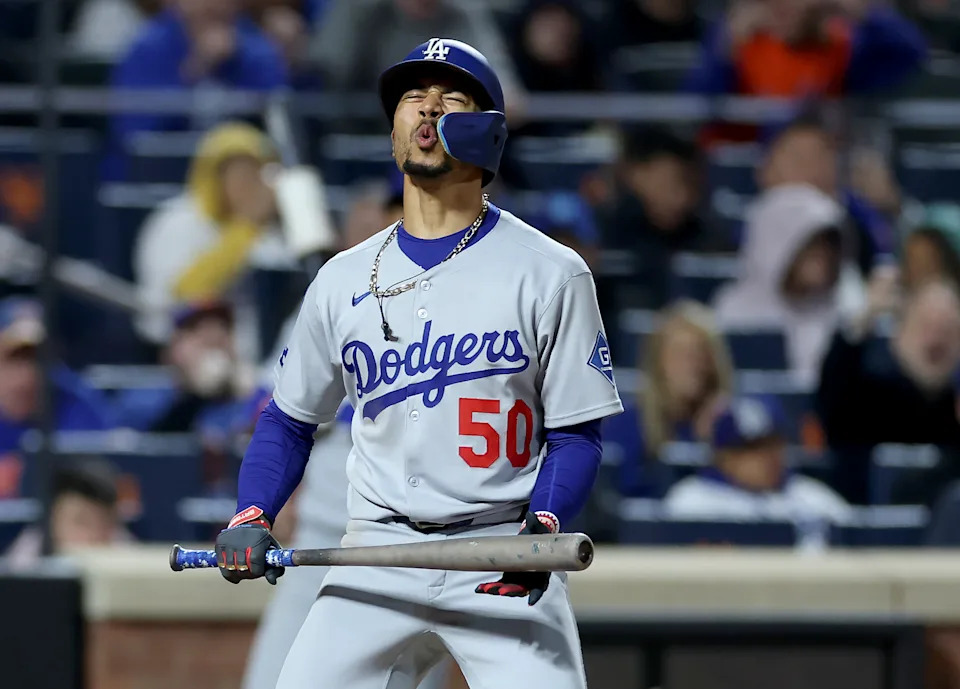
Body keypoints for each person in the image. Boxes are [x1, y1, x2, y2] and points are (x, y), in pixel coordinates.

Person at [213, 38, 623, 689]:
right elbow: (287, 422)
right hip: (375, 549)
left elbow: (576, 433)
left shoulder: (552, 271)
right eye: (411, 96)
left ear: (488, 130)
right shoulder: (341, 278)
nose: (426, 108)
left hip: (497, 546)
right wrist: (252, 511)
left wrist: (542, 522)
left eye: (450, 97)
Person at [133, 121, 298, 358]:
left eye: (254, 172)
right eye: (236, 172)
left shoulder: (273, 231)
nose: (246, 183)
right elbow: (185, 294)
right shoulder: (177, 220)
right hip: (179, 355)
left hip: (259, 362)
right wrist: (245, 230)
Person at [105, 0, 288, 179]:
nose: (210, 5)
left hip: (239, 183)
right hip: (158, 180)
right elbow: (135, 134)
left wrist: (234, 65)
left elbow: (278, 130)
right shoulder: (145, 50)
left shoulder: (259, 52)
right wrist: (196, 68)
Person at [817, 277, 960, 503]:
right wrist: (863, 319)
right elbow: (831, 399)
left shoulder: (954, 410)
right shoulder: (868, 396)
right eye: (926, 326)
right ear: (899, 334)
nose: (936, 340)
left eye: (948, 330)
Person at [713, 183, 866, 385]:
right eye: (810, 244)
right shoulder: (732, 312)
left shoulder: (851, 306)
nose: (823, 255)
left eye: (829, 244)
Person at [663, 395, 852, 537]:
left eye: (773, 444)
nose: (767, 456)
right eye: (752, 447)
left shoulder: (815, 500)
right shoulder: (689, 503)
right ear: (724, 456)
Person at [603, 300, 734, 497]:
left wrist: (717, 440)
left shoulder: (733, 424)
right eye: (680, 354)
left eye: (700, 355)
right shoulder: (627, 423)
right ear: (658, 363)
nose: (692, 366)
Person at [686, 0, 926, 99]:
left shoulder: (839, 44)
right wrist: (725, 50)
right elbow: (693, 107)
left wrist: (864, 12)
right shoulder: (738, 39)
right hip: (745, 170)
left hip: (820, 167)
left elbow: (910, 52)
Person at [0, 297, 112, 499]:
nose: (27, 373)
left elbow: (103, 475)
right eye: (14, 359)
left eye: (37, 359)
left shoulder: (76, 402)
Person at [4, 458, 134, 570]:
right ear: (53, 519)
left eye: (105, 522)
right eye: (81, 521)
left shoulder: (127, 554)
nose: (94, 535)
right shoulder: (25, 562)